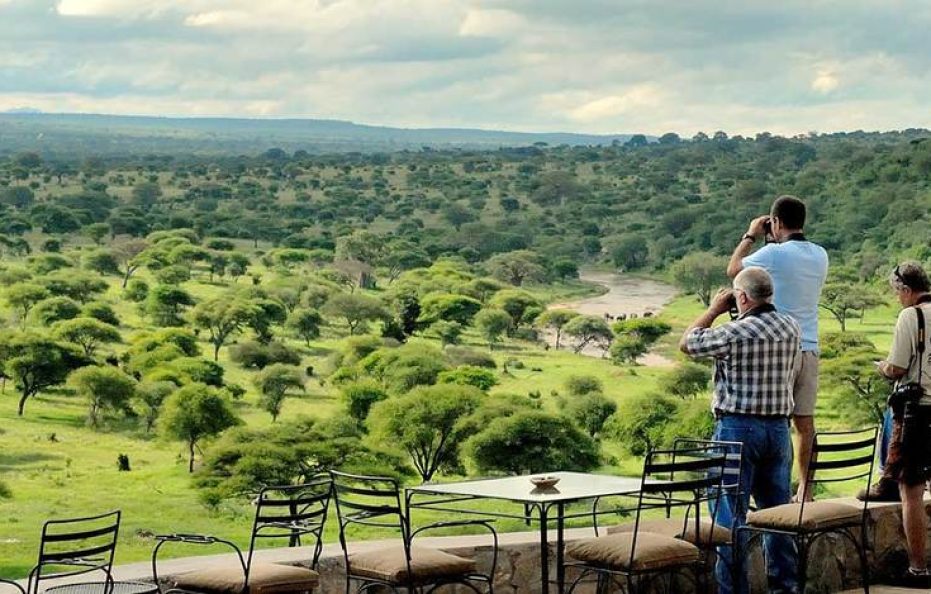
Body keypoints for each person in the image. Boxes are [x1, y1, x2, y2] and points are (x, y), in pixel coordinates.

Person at [680, 267, 800, 594]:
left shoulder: (735, 333)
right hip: (778, 430)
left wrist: (715, 310)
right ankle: (785, 588)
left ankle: (734, 590)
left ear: (742, 297)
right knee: (779, 518)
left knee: (729, 518)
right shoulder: (791, 326)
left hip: (737, 428)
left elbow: (687, 343)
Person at [727, 195, 828, 502]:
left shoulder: (773, 253)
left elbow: (734, 271)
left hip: (779, 346)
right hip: (809, 345)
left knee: (774, 420)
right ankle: (805, 490)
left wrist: (750, 235)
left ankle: (772, 494)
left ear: (776, 223)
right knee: (805, 423)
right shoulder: (821, 254)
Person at [876, 262, 931, 587]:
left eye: (898, 292)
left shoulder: (912, 316)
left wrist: (882, 367)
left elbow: (897, 367)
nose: (898, 298)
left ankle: (918, 568)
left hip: (920, 412)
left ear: (907, 290)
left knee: (911, 491)